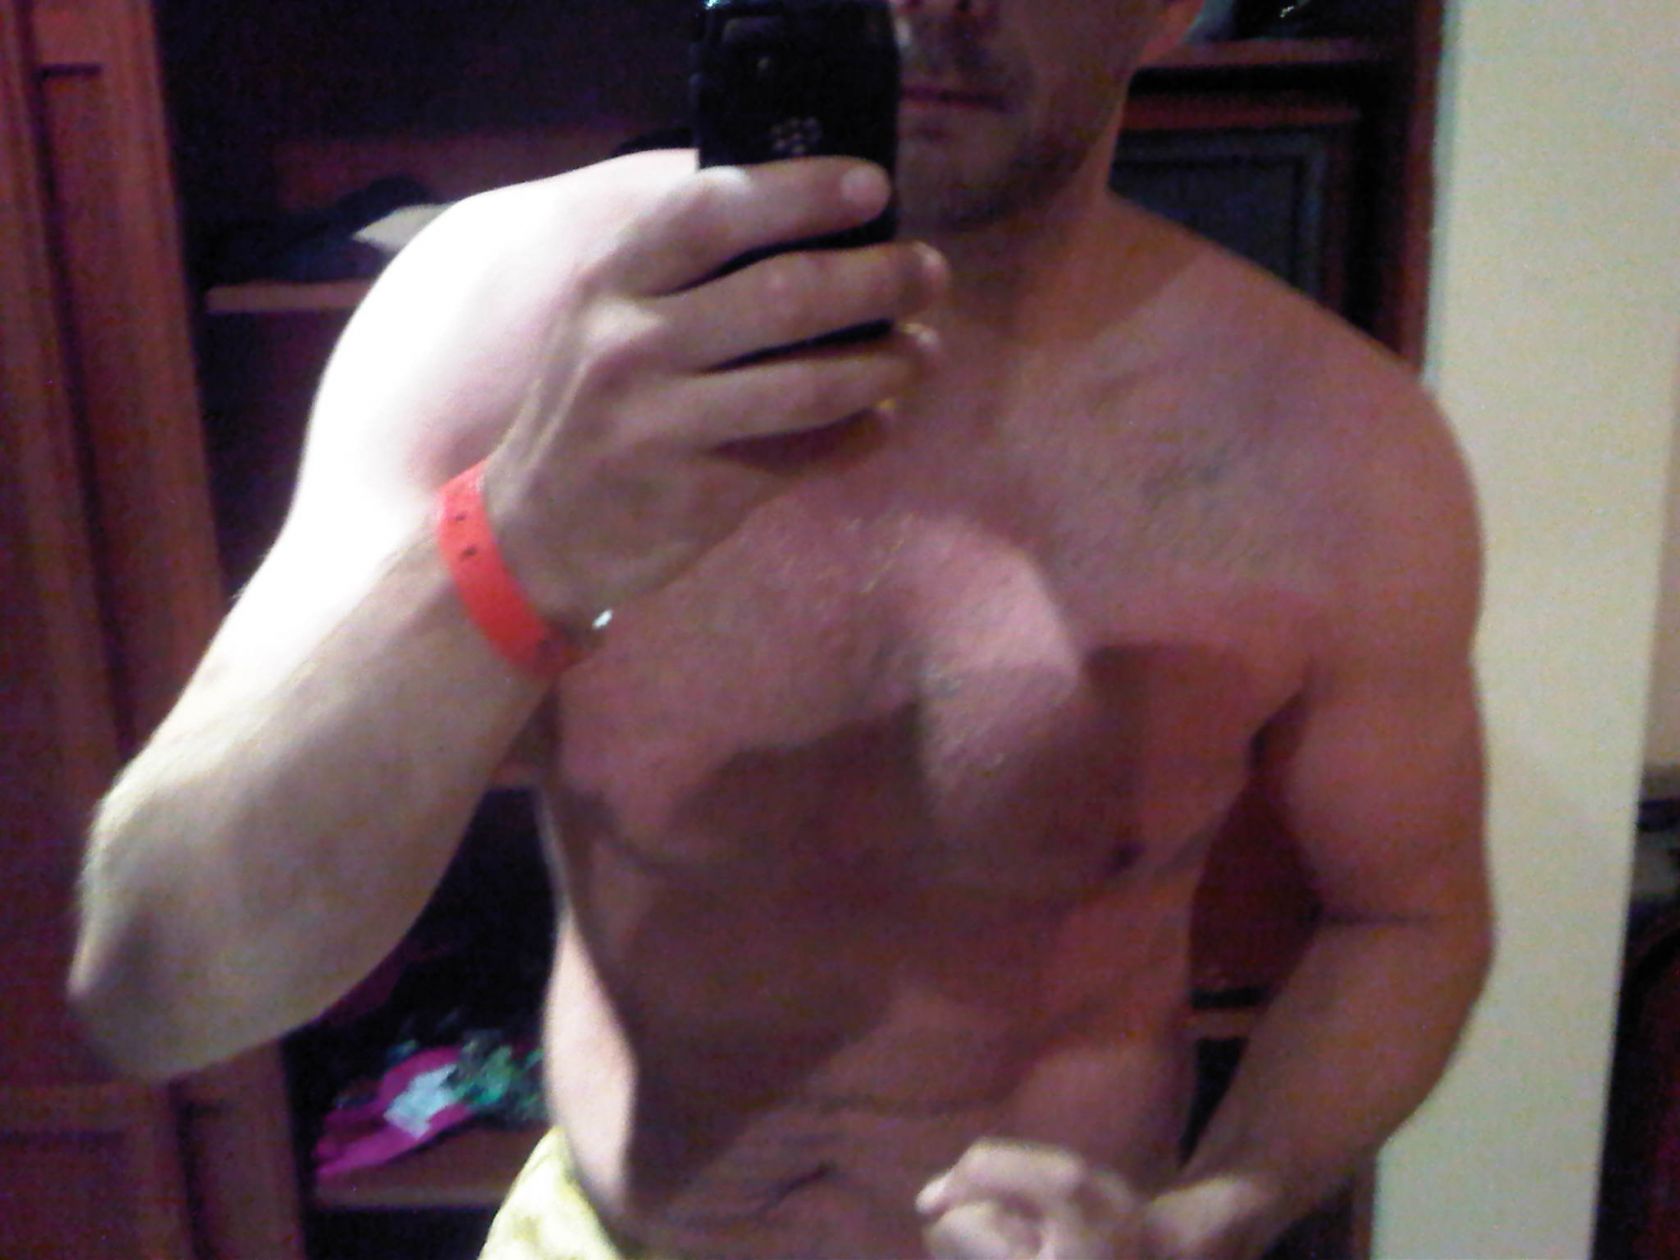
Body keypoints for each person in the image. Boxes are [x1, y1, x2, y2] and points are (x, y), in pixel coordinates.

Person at [68, 0, 1494, 1256]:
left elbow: (1411, 920)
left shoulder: (1332, 451)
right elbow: (154, 983)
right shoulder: (500, 315)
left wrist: (1214, 1216)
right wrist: (524, 538)